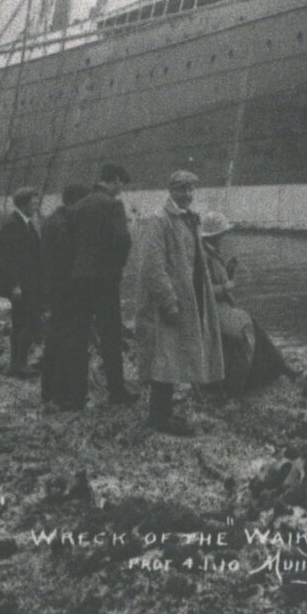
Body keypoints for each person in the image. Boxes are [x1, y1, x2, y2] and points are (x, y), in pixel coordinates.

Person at [135, 169, 224, 434]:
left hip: (187, 299)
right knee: (164, 357)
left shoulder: (189, 219)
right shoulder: (159, 221)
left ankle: (163, 412)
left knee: (172, 355)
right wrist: (168, 301)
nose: (187, 194)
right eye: (181, 189)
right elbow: (152, 266)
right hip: (168, 303)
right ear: (170, 191)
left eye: (190, 189)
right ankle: (159, 417)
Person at [57, 166, 135, 409]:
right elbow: (124, 241)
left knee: (78, 336)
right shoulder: (113, 205)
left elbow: (68, 243)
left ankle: (77, 396)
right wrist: (116, 269)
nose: (121, 189)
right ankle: (116, 391)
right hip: (105, 281)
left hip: (79, 280)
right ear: (113, 181)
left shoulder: (76, 207)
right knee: (111, 336)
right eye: (121, 184)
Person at [198, 210, 289, 395]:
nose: (223, 237)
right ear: (216, 235)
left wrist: (228, 270)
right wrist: (226, 287)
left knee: (252, 324)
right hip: (211, 311)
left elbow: (215, 280)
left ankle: (277, 368)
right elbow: (202, 291)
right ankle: (237, 386)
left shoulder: (211, 252)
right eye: (222, 234)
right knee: (246, 330)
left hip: (220, 307)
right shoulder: (204, 257)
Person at [37, 183, 88, 407]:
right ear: (76, 201)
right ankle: (67, 396)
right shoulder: (64, 225)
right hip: (68, 293)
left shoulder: (53, 221)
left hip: (56, 292)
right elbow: (69, 262)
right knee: (71, 343)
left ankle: (49, 392)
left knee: (55, 341)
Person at [0, 186, 46, 376]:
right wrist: (14, 285)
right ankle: (18, 364)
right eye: (33, 202)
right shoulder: (13, 225)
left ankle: (18, 363)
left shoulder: (26, 223)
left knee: (22, 322)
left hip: (28, 283)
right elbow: (8, 259)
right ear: (23, 204)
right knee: (26, 322)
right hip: (21, 285)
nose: (37, 206)